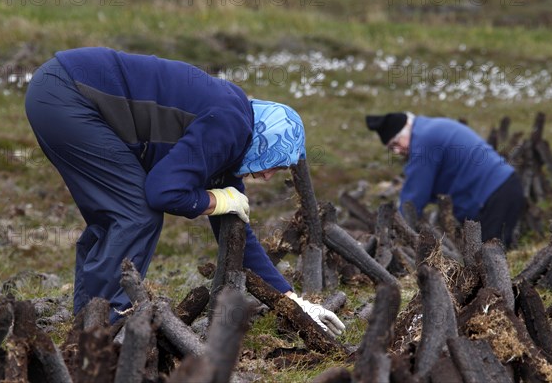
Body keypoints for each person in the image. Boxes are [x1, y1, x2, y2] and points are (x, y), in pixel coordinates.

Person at [25, 47, 345, 336]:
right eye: (275, 162)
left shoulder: (229, 138)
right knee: (136, 215)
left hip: (58, 89)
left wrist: (292, 301)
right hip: (70, 94)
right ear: (266, 139)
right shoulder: (230, 125)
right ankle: (104, 331)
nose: (268, 174)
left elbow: (238, 237)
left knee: (117, 216)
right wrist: (214, 200)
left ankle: (90, 323)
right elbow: (162, 193)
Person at [366, 112, 525, 247]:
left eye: (396, 143)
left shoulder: (423, 140)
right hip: (502, 189)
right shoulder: (429, 128)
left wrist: (397, 232)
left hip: (495, 195)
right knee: (495, 255)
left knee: (490, 259)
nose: (397, 151)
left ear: (406, 129)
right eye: (391, 148)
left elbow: (414, 197)